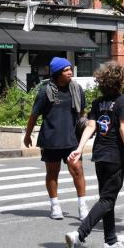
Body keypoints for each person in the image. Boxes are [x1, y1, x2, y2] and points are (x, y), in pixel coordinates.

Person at [64, 62, 124, 248]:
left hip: (100, 156)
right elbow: (123, 128)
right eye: (123, 76)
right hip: (114, 156)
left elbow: (90, 126)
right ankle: (79, 235)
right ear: (119, 80)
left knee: (107, 199)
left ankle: (110, 241)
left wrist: (79, 148)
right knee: (107, 200)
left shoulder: (98, 103)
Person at [23, 57, 89, 221]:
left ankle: (82, 206)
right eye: (66, 70)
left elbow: (82, 113)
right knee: (53, 173)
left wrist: (84, 129)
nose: (70, 72)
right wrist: (27, 135)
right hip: (51, 139)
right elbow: (34, 115)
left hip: (72, 138)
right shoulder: (45, 90)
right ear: (58, 73)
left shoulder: (77, 89)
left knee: (77, 170)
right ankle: (55, 205)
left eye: (70, 69)